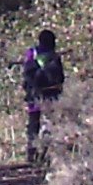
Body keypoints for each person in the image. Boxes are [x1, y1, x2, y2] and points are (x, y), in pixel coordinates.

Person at [19, 28, 65, 163]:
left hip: (34, 94)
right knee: (49, 123)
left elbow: (27, 74)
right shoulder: (54, 55)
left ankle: (31, 153)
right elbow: (61, 77)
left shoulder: (31, 53)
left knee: (33, 124)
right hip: (51, 94)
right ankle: (44, 153)